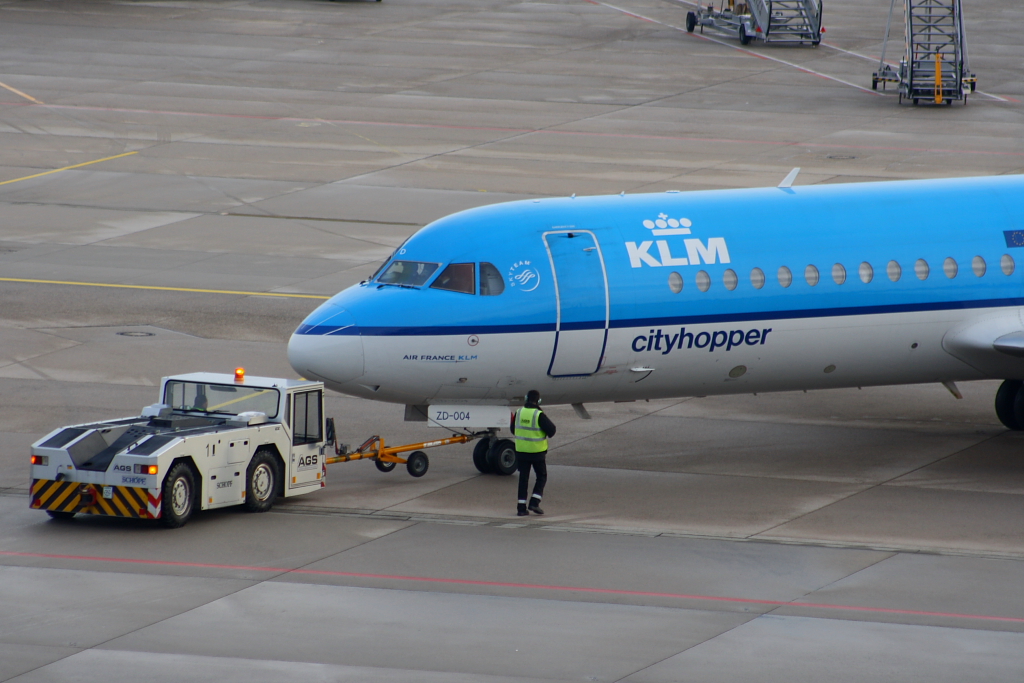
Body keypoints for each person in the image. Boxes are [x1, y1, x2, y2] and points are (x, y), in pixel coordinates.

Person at [511, 389, 556, 516]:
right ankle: (534, 502)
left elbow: (513, 430)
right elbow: (552, 430)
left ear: (526, 398)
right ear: (538, 401)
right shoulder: (538, 414)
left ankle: (521, 508)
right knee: (541, 477)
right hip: (537, 452)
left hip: (522, 452)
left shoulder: (519, 412)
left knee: (523, 479)